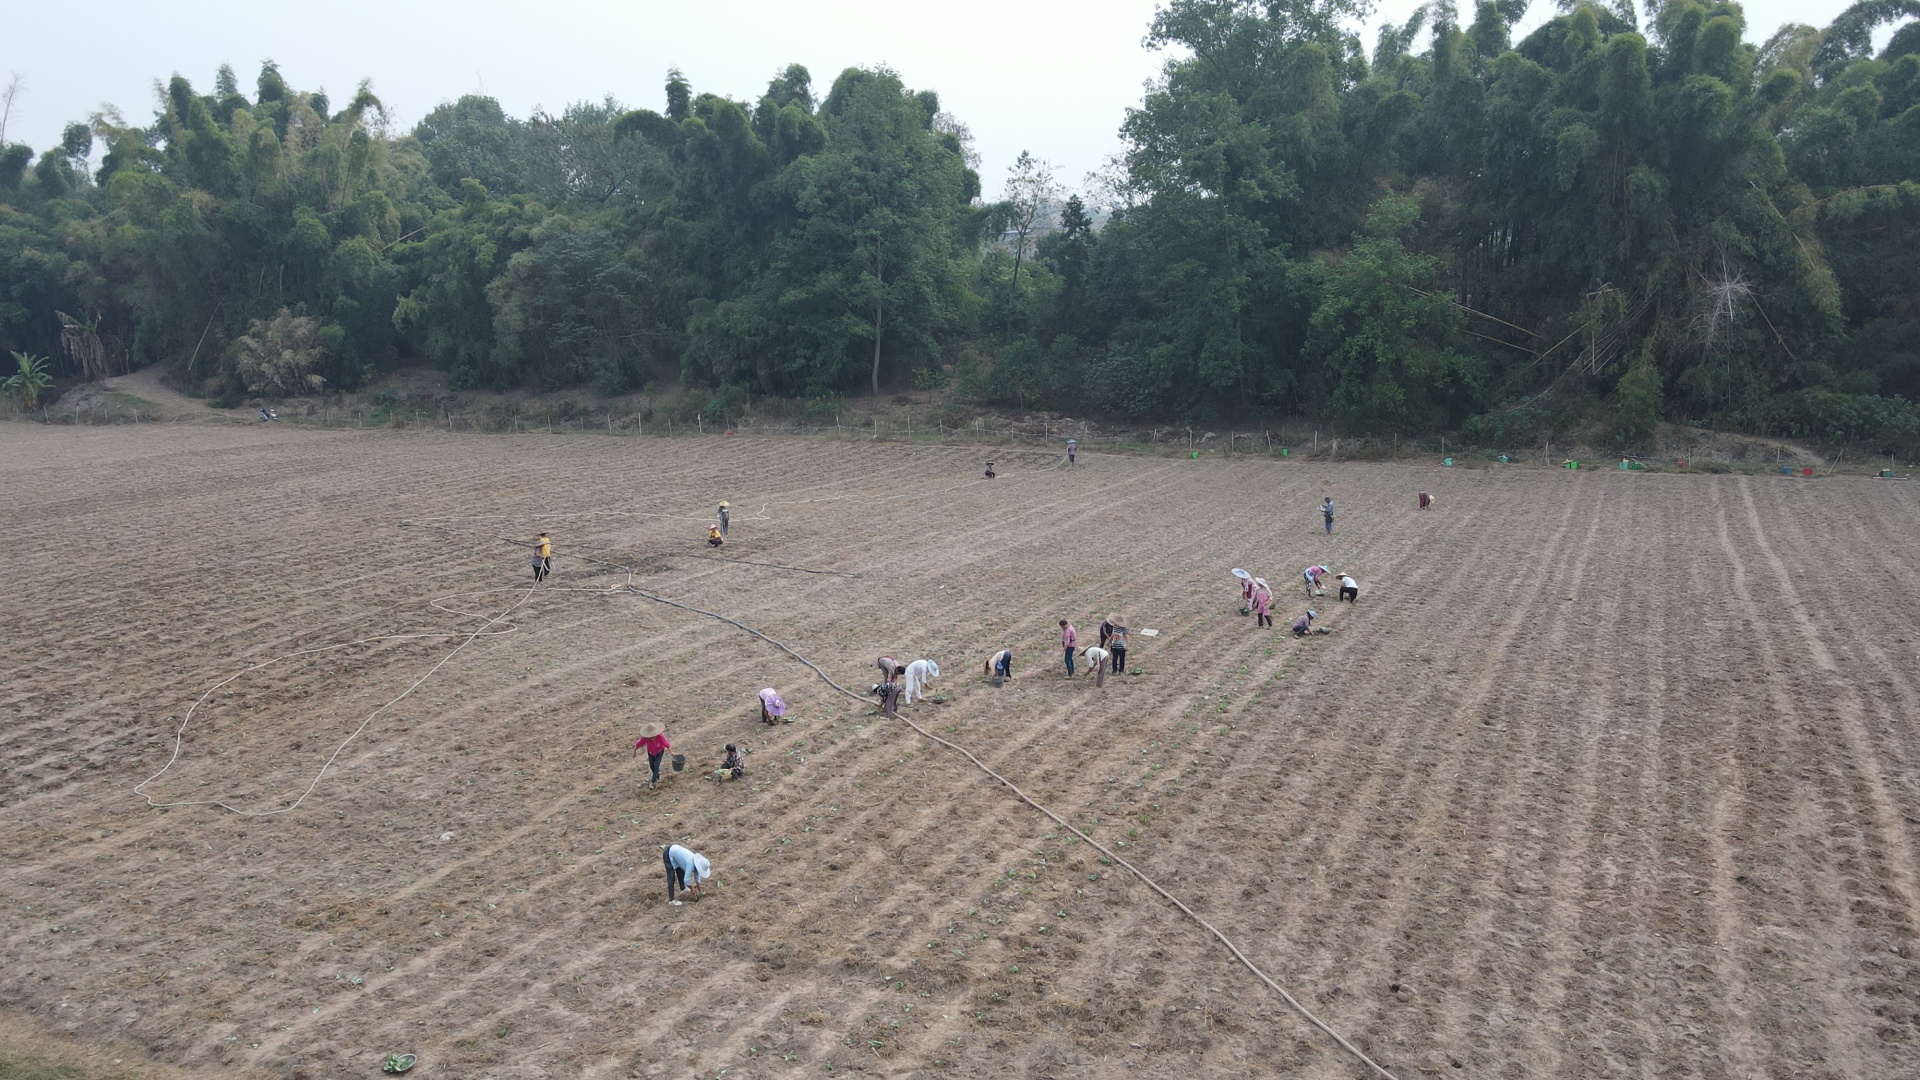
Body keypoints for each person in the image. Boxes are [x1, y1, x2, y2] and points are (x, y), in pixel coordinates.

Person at [634, 722, 670, 789]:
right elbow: (638, 744)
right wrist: (634, 752)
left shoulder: (660, 737)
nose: (652, 737)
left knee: (656, 764)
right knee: (651, 765)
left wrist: (671, 752)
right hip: (651, 752)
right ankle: (657, 775)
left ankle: (653, 781)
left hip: (660, 752)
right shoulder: (646, 738)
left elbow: (667, 744)